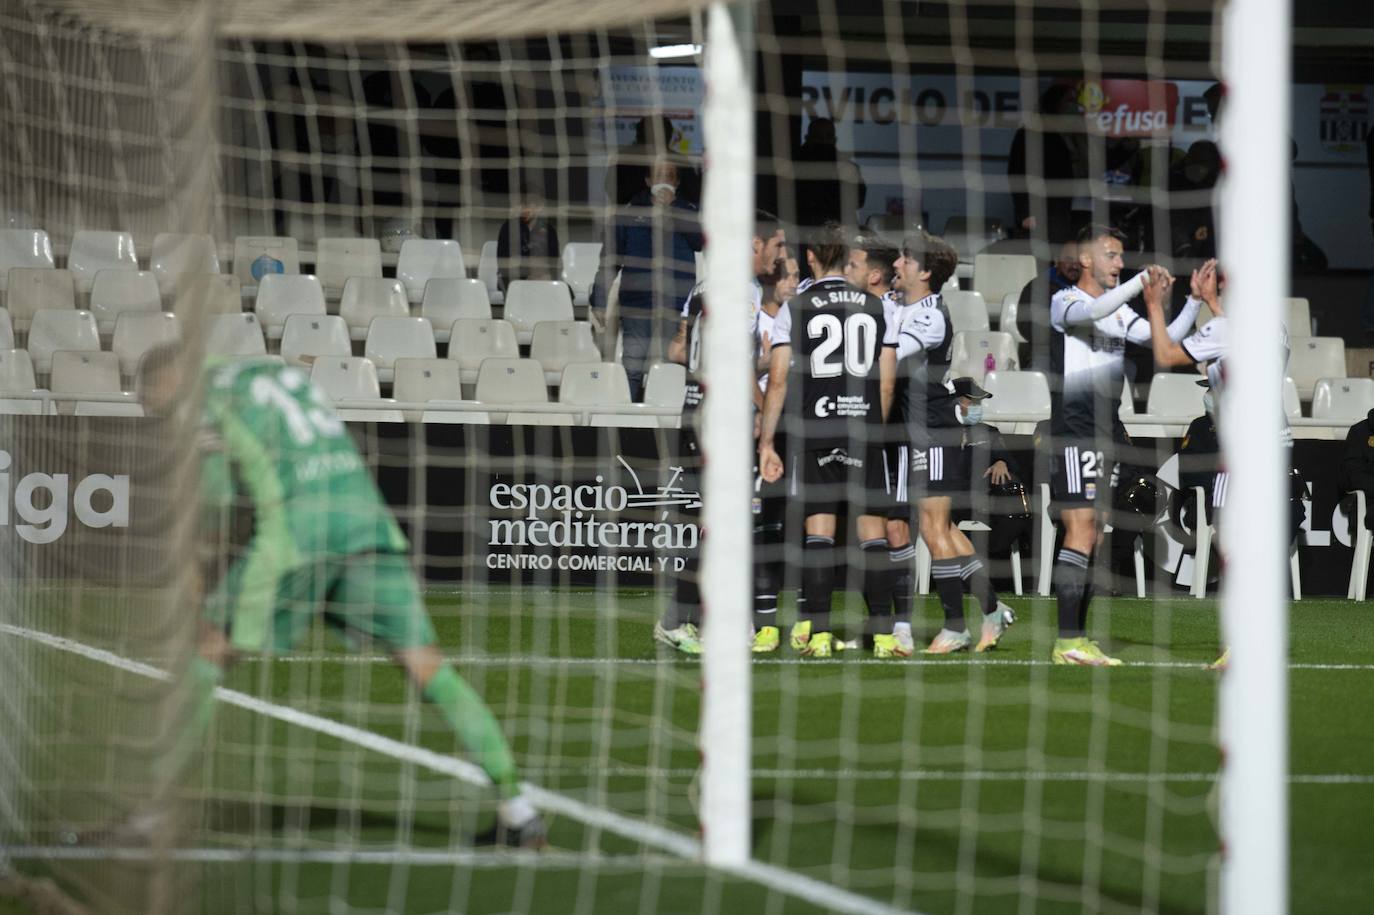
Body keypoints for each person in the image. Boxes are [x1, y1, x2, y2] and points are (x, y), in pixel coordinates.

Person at [139, 350, 546, 847]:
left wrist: (200, 571)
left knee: (207, 654)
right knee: (429, 667)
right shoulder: (269, 370)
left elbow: (218, 500)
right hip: (362, 517)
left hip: (295, 527)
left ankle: (153, 817)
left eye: (156, 409)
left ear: (167, 383)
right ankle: (518, 809)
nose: (162, 420)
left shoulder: (204, 398)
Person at [1047, 225, 1200, 666]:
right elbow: (1094, 309)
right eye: (1111, 255)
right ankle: (1066, 641)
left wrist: (1189, 300)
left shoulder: (1114, 312)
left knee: (1092, 535)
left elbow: (1164, 340)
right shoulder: (1067, 301)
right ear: (1088, 260)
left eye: (1122, 256)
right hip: (1075, 432)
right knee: (1079, 532)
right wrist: (1141, 282)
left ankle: (1078, 639)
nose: (1120, 263)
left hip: (1106, 431)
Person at [758, 224, 898, 659]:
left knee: (818, 531)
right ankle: (885, 636)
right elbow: (887, 383)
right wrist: (874, 426)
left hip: (815, 431)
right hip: (865, 432)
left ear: (815, 257)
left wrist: (767, 442)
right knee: (873, 534)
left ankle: (818, 635)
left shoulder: (795, 306)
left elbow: (778, 379)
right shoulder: (879, 307)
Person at [656, 216, 789, 654]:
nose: (781, 255)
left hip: (695, 411)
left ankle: (702, 619)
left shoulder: (704, 286)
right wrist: (757, 406)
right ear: (756, 243)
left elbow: (678, 349)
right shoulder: (744, 293)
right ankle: (680, 619)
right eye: (778, 245)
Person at [888, 232, 1016, 655]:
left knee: (930, 528)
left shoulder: (929, 317)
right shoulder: (904, 306)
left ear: (925, 272)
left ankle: (956, 626)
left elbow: (889, 355)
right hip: (924, 431)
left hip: (934, 431)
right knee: (942, 529)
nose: (896, 265)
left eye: (905, 260)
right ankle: (992, 609)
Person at [597, 158, 703, 398]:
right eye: (658, 175)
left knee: (671, 366)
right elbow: (610, 259)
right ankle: (628, 421)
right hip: (638, 302)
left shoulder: (688, 210)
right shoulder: (630, 211)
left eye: (670, 175)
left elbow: (699, 242)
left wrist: (674, 208)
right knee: (632, 366)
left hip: (675, 304)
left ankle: (670, 418)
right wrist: (599, 299)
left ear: (677, 182)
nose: (664, 180)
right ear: (647, 181)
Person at [1007, 85, 1081, 247]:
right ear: (1056, 103)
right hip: (1038, 214)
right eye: (1069, 101)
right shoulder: (1031, 132)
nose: (1074, 106)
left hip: (1059, 213)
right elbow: (1017, 172)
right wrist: (1025, 213)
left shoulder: (1064, 133)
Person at [795, 118, 867, 234]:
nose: (823, 141)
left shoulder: (847, 168)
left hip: (838, 236)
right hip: (806, 234)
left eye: (827, 136)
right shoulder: (792, 167)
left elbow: (858, 200)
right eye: (818, 136)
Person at [495, 184, 561, 291]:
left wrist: (546, 275)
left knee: (565, 291)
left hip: (543, 281)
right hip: (514, 281)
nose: (524, 209)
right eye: (522, 204)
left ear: (540, 206)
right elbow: (503, 264)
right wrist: (526, 275)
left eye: (529, 205)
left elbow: (555, 263)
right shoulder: (508, 228)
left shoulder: (550, 231)